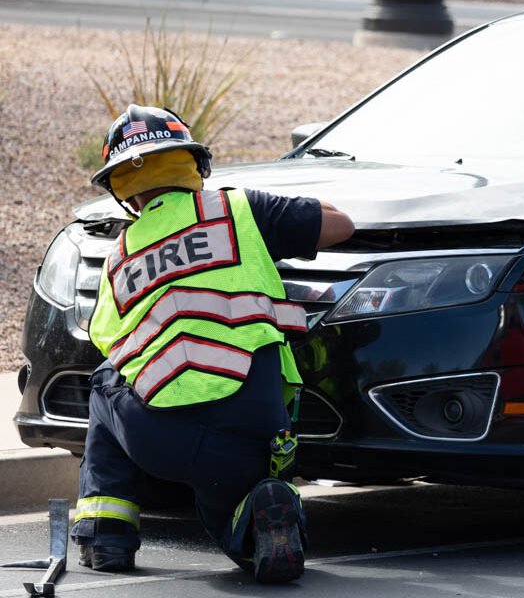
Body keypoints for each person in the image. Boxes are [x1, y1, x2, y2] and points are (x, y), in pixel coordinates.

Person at [71, 104, 354, 583]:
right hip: (258, 426)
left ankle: (105, 537)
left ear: (123, 188)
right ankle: (262, 509)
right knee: (233, 511)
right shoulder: (237, 209)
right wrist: (288, 210)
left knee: (105, 382)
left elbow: (111, 343)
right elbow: (341, 225)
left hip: (168, 438)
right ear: (194, 164)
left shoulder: (122, 254)